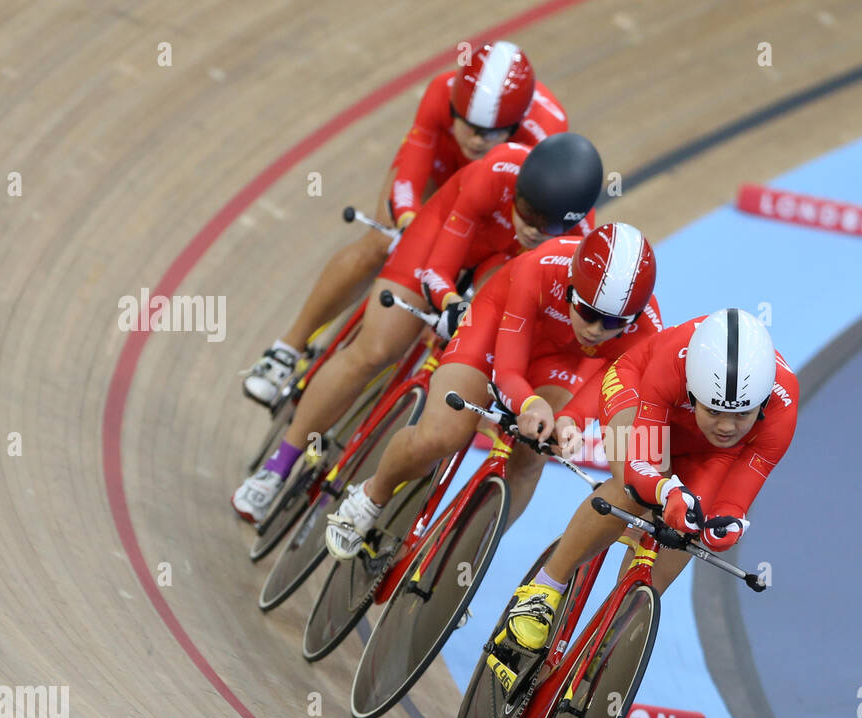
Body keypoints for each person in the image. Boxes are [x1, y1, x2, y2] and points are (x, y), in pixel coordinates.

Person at [232, 132, 604, 523]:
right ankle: (277, 466)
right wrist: (449, 303)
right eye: (526, 210)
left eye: (547, 226)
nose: (531, 228)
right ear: (519, 189)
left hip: (505, 270)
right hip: (446, 237)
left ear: (573, 222)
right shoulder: (495, 172)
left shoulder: (579, 247)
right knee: (377, 349)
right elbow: (438, 269)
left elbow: (524, 318)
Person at [240, 40, 568, 405]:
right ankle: (287, 349)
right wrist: (409, 221)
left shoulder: (547, 137)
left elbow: (538, 226)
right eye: (469, 124)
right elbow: (412, 168)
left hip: (497, 200)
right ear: (454, 105)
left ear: (518, 123)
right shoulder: (441, 90)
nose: (477, 138)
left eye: (493, 131)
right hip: (444, 170)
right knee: (381, 241)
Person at [322, 221, 662, 558]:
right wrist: (529, 403)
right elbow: (508, 369)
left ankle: (465, 560)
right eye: (587, 312)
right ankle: (371, 496)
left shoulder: (648, 331)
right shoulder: (539, 268)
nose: (596, 329)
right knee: (441, 435)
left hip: (565, 360)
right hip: (498, 324)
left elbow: (612, 382)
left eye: (615, 323)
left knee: (535, 454)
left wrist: (571, 420)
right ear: (572, 289)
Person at [501, 308, 799, 650]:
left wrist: (723, 526)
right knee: (633, 491)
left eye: (741, 414)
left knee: (691, 525)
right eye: (714, 410)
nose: (727, 426)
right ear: (692, 393)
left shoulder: (783, 408)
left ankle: (607, 647)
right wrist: (663, 487)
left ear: (761, 404)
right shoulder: (673, 361)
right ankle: (544, 589)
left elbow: (735, 499)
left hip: (709, 452)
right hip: (636, 390)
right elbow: (640, 465)